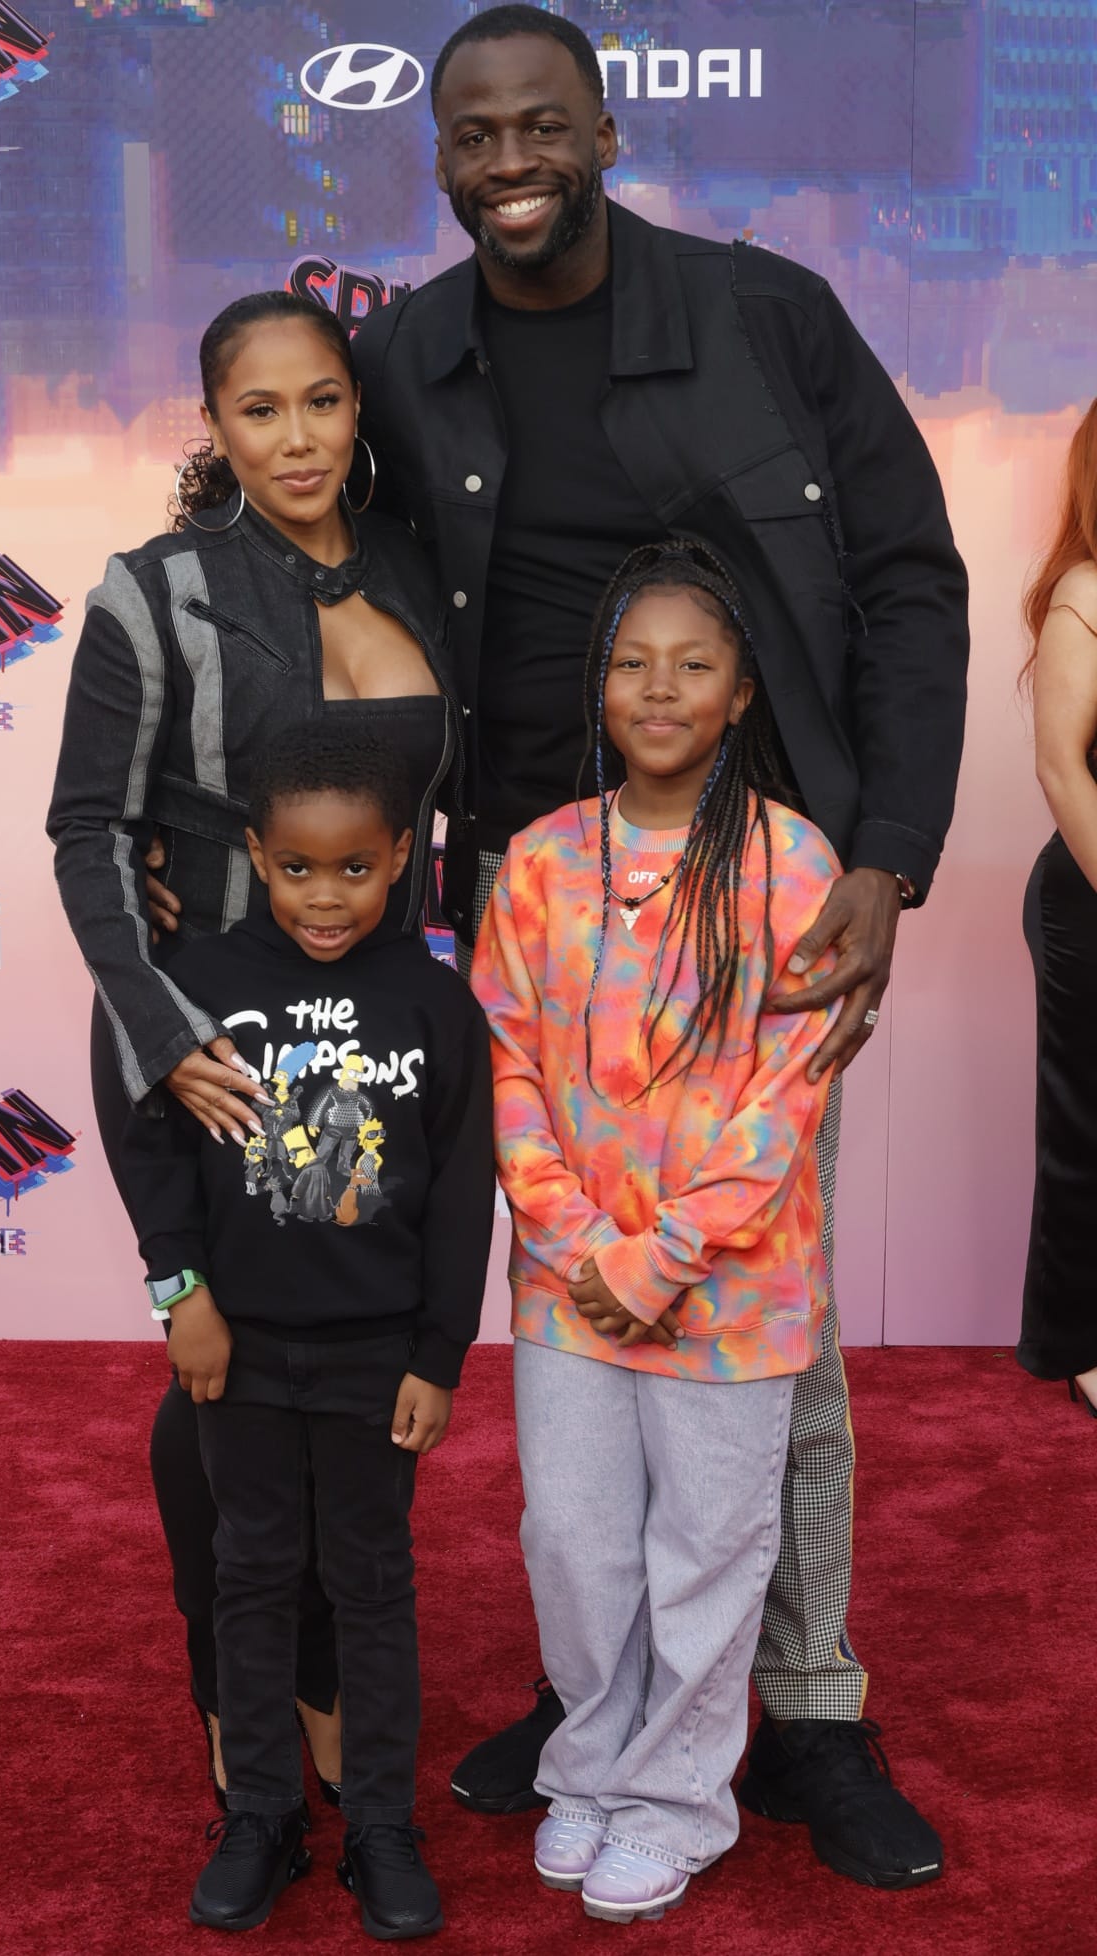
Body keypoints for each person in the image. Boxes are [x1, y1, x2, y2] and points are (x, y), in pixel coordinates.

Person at [351, 3, 966, 1887]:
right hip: (532, 902)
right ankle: (603, 1696)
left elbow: (905, 574)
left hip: (759, 892)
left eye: (545, 125)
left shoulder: (761, 318)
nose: (510, 160)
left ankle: (812, 1708)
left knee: (763, 1327)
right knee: (575, 1331)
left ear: (607, 134)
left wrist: (887, 853)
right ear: (442, 156)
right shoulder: (409, 354)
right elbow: (336, 590)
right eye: (475, 135)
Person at [46, 290, 461, 1807]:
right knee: (214, 1374)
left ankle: (329, 1688)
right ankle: (243, 1699)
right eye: (261, 410)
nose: (298, 437)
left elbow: (437, 823)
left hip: (376, 1041)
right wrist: (162, 1029)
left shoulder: (426, 572)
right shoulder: (153, 592)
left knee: (344, 1377)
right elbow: (87, 827)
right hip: (208, 1049)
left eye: (325, 403)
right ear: (214, 428)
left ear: (361, 410)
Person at [470, 541, 840, 1922]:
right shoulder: (543, 862)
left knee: (706, 1550)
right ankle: (589, 1763)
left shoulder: (791, 862)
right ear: (600, 685)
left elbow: (787, 1093)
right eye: (634, 664)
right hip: (570, 1286)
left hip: (728, 1292)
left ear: (741, 692)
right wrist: (580, 1245)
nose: (661, 688)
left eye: (694, 665)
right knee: (574, 1541)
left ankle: (680, 1799)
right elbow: (508, 1063)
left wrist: (663, 1254)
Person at [120, 726, 494, 1938]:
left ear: (401, 860)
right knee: (252, 1579)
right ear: (256, 855)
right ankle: (264, 1811)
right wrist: (185, 1299)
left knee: (375, 1589)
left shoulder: (437, 1002)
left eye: (352, 869)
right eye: (295, 870)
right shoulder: (203, 983)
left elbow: (459, 1197)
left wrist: (440, 1356)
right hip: (241, 1353)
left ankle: (381, 1821)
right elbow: (164, 1162)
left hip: (378, 1360)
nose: (324, 897)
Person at [1018, 398, 1097, 1419]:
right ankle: (1082, 1341)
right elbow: (1063, 769)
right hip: (1089, 891)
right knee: (1089, 1120)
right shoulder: (1085, 591)